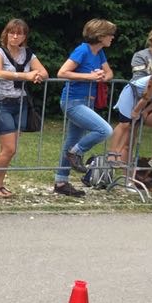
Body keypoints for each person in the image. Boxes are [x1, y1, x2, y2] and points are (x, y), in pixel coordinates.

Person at [53, 18, 116, 198]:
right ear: (100, 36)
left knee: (71, 140)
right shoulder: (82, 50)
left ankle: (61, 181)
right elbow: (62, 73)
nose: (112, 38)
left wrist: (103, 75)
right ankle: (77, 153)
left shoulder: (99, 53)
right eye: (110, 34)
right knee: (105, 130)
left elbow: (109, 73)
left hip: (86, 101)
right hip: (73, 101)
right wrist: (89, 77)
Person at [0, 19, 47, 198]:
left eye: (19, 33)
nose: (15, 36)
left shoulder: (28, 53)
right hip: (0, 102)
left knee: (8, 149)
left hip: (20, 104)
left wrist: (36, 76)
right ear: (6, 33)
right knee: (9, 148)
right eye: (12, 32)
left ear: (24, 36)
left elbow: (43, 72)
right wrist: (25, 75)